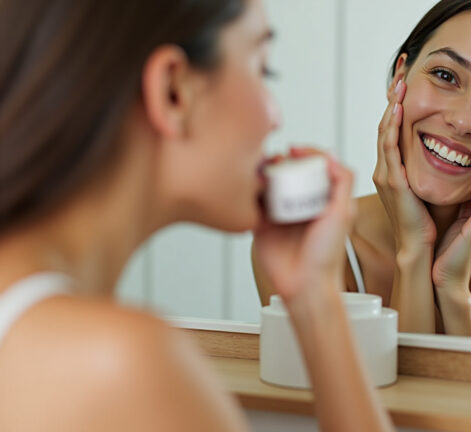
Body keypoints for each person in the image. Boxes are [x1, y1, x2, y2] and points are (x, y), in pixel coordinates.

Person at [0, 0, 393, 431]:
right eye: (263, 69)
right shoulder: (122, 366)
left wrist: (314, 296)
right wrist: (322, 311)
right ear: (173, 90)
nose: (274, 116)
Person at [265, 0, 471, 342]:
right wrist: (412, 251)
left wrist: (454, 291)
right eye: (445, 76)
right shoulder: (308, 243)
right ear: (400, 78)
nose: (463, 121)